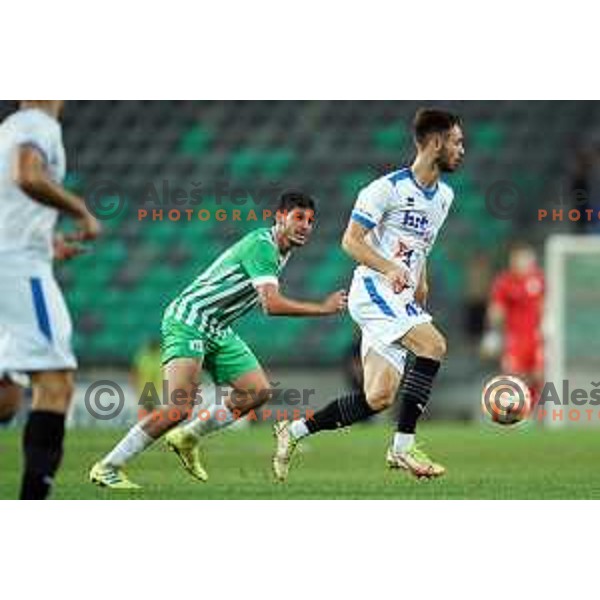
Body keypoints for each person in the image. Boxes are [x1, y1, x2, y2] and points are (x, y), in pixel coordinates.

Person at [89, 191, 347, 489]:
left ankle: (188, 436)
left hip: (218, 326)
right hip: (190, 319)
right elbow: (271, 305)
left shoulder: (281, 250)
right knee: (178, 407)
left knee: (257, 391)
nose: (305, 226)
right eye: (298, 217)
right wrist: (323, 308)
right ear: (279, 217)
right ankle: (108, 466)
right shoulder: (262, 247)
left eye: (311, 221)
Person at [274, 108, 465, 481]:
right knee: (434, 346)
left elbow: (420, 245)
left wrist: (420, 281)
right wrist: (390, 268)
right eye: (457, 142)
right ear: (436, 142)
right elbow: (350, 241)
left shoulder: (445, 196)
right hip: (373, 289)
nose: (462, 150)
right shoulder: (386, 189)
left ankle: (291, 431)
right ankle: (402, 449)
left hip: (401, 295)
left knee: (377, 398)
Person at [0, 100, 101, 499]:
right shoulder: (37, 125)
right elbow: (27, 176)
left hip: (16, 259)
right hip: (18, 269)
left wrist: (48, 242)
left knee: (7, 397)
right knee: (55, 383)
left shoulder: (9, 126)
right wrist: (81, 211)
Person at [481, 241, 545, 407]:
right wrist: (492, 333)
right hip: (514, 337)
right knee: (514, 375)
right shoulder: (504, 282)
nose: (523, 263)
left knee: (538, 375)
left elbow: (546, 304)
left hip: (537, 336)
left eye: (526, 259)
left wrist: (549, 323)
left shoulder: (539, 279)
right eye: (519, 259)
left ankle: (533, 411)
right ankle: (516, 411)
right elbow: (496, 310)